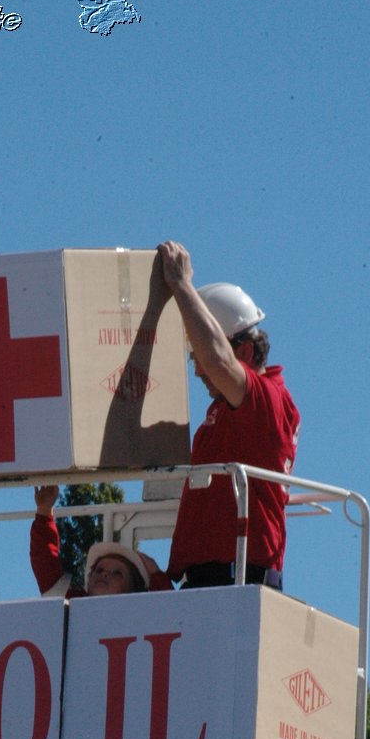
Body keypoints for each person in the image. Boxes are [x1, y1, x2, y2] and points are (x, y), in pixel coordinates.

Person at [156, 240, 301, 589]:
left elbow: (220, 361)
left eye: (201, 360)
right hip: (216, 579)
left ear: (246, 351)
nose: (199, 372)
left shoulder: (265, 400)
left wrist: (180, 284)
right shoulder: (235, 409)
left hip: (236, 579)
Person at [30, 485, 171, 598]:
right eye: (99, 570)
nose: (104, 574)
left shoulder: (143, 615)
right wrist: (44, 511)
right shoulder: (73, 603)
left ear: (134, 590)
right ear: (89, 580)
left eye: (117, 573)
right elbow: (46, 566)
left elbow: (170, 610)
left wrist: (157, 577)